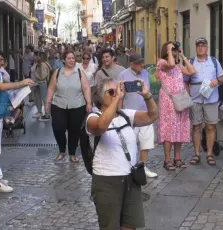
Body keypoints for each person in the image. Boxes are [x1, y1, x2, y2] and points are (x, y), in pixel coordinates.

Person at [87, 78, 158, 230]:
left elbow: (152, 116)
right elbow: (101, 126)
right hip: (107, 181)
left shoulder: (126, 115)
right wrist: (117, 98)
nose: (116, 94)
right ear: (100, 98)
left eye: (118, 91)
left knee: (130, 226)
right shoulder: (92, 118)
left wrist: (147, 96)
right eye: (111, 92)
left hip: (130, 179)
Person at [0, 48, 34, 192]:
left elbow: (6, 83)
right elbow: (2, 86)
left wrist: (19, 87)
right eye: (0, 60)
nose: (3, 63)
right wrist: (21, 83)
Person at [45, 50, 92, 163]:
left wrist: (89, 103)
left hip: (77, 105)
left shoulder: (80, 72)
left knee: (74, 130)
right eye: (69, 58)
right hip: (58, 104)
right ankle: (62, 150)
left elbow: (86, 88)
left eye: (73, 58)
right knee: (58, 127)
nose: (71, 60)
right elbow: (51, 88)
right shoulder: (57, 72)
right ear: (63, 60)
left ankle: (72, 153)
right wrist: (47, 102)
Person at [184, 37, 223, 166]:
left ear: (207, 47)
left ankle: (209, 153)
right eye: (198, 45)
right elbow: (185, 80)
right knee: (196, 126)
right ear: (196, 48)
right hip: (195, 98)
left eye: (203, 45)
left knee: (210, 126)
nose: (200, 48)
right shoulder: (191, 61)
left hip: (211, 98)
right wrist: (187, 95)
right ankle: (196, 153)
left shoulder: (214, 61)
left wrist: (217, 81)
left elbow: (222, 78)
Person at [157, 42, 196, 170]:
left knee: (179, 128)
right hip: (167, 100)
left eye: (174, 50)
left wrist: (183, 55)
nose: (173, 52)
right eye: (172, 50)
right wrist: (169, 49)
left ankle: (177, 157)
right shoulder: (162, 62)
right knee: (169, 129)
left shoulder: (178, 66)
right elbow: (171, 64)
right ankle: (167, 159)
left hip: (180, 100)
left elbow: (192, 71)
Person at [118, 53, 158, 178]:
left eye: (142, 62)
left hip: (145, 113)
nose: (142, 65)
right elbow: (120, 96)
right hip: (130, 115)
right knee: (131, 141)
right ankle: (130, 167)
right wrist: (119, 112)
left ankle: (143, 167)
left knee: (145, 141)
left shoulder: (145, 73)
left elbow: (149, 91)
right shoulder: (123, 75)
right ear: (131, 64)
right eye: (139, 63)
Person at [34, 52, 52, 122]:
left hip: (42, 82)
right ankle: (43, 112)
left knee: (44, 98)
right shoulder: (44, 63)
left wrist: (36, 75)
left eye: (38, 56)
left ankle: (47, 114)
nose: (37, 57)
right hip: (41, 83)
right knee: (39, 97)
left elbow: (43, 75)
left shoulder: (43, 64)